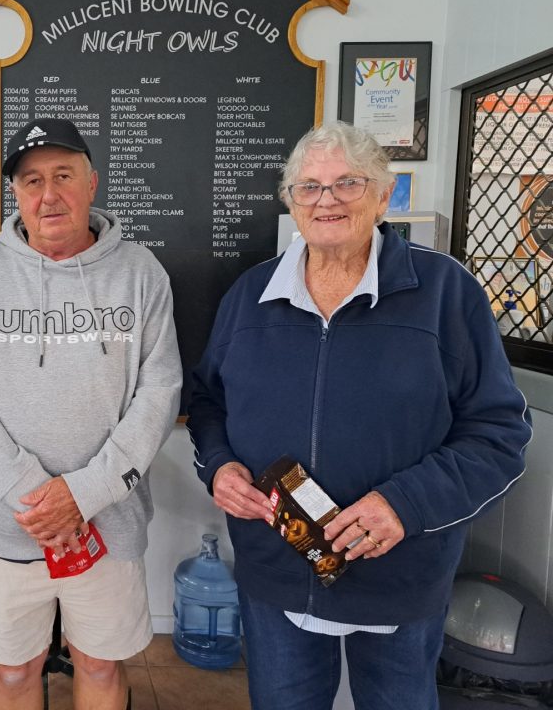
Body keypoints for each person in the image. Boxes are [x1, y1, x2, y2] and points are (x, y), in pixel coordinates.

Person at [187, 121, 532, 710]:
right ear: (290, 201)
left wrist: (405, 504)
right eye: (309, 187)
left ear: (383, 194)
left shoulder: (445, 293)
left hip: (399, 575)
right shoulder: (250, 295)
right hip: (276, 570)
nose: (327, 200)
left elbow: (499, 435)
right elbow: (207, 401)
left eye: (348, 183)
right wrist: (218, 465)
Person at [0, 118, 182, 710]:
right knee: (16, 670)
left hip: (110, 522)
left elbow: (161, 390)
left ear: (91, 183)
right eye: (32, 180)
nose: (49, 195)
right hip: (11, 522)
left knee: (99, 664)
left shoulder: (141, 273)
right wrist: (33, 495)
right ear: (15, 193)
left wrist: (85, 493)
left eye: (63, 176)